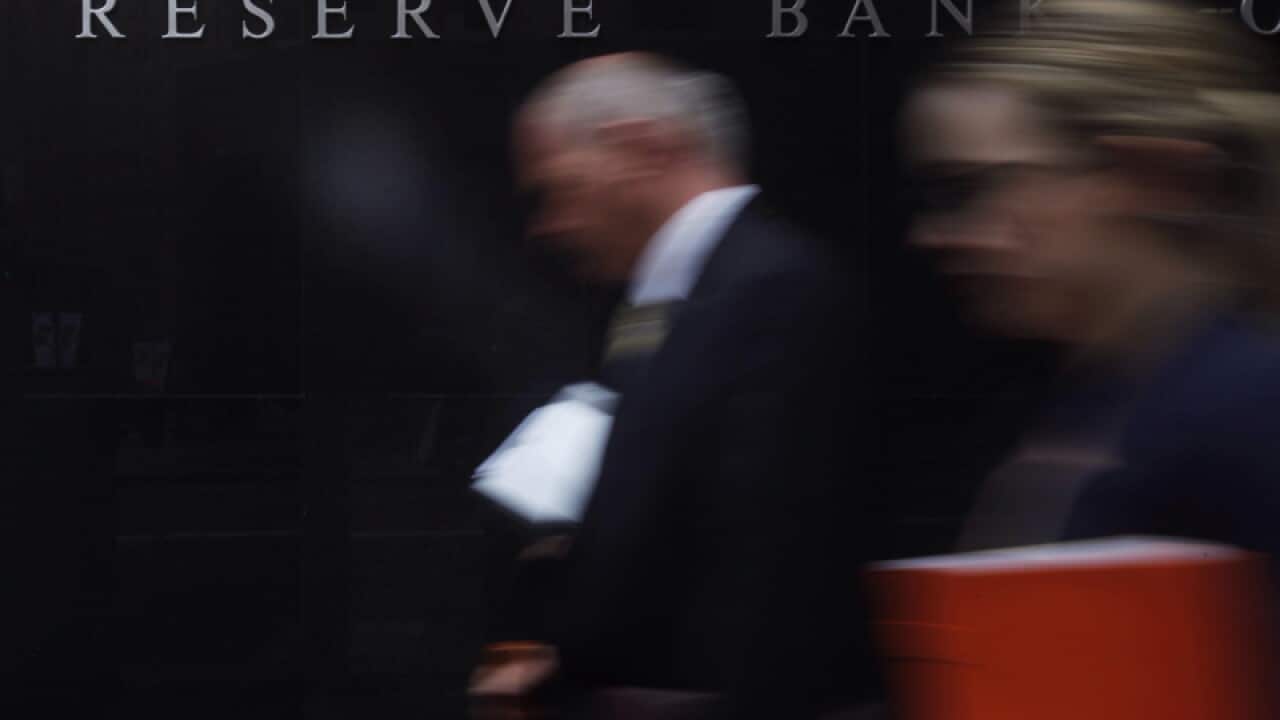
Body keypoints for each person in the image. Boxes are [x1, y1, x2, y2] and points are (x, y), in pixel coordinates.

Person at [472, 53, 877, 719]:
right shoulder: (663, 300)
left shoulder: (774, 287)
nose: (546, 226)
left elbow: (776, 580)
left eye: (556, 190)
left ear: (642, 146)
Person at [901, 0, 1280, 566]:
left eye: (968, 187)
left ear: (1150, 175)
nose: (929, 235)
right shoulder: (1108, 395)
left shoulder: (1249, 410)